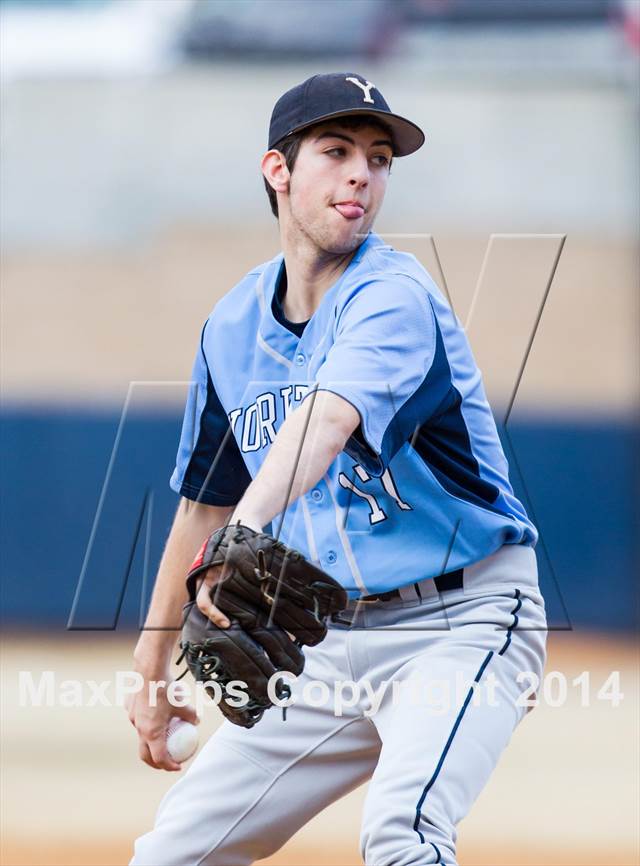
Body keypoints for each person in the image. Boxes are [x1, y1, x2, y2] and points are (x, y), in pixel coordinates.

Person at [127, 72, 547, 866]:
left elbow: (323, 423)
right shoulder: (231, 326)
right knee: (171, 855)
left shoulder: (392, 297)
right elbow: (202, 506)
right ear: (278, 171)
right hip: (327, 640)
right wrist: (151, 665)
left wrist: (238, 542)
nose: (364, 172)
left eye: (380, 157)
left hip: (461, 624)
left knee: (402, 836)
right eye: (338, 150)